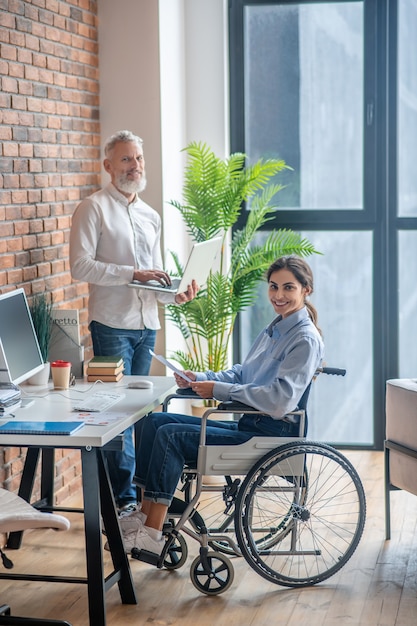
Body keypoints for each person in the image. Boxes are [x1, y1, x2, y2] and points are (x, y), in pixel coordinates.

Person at [118, 255, 324, 554]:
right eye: (273, 287)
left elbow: (279, 401)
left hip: (269, 434)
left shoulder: (304, 339)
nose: (279, 296)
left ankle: (151, 533)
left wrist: (219, 390)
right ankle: (144, 516)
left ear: (306, 289)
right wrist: (200, 378)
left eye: (288, 288)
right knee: (155, 422)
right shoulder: (275, 329)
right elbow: (244, 373)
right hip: (249, 424)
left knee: (171, 435)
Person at [69, 129, 198, 513]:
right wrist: (132, 273)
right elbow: (79, 266)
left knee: (146, 411)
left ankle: (147, 497)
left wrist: (175, 294)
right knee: (115, 414)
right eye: (125, 159)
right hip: (111, 325)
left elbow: (152, 277)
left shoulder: (150, 215)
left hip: (148, 325)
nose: (134, 166)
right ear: (108, 166)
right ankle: (122, 502)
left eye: (138, 159)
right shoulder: (92, 208)